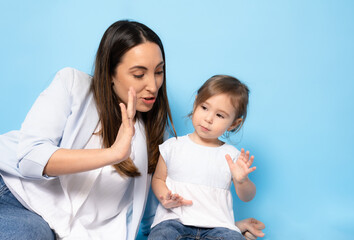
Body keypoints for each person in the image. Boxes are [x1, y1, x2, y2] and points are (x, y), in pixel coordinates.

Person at [0, 20, 264, 240]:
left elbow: (153, 213)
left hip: (69, 230)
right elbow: (30, 159)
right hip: (15, 194)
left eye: (159, 72)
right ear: (110, 73)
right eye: (139, 75)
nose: (153, 86)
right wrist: (113, 153)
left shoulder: (151, 135)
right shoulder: (72, 85)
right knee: (30, 231)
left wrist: (221, 228)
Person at [148, 75, 264, 240]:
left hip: (218, 227)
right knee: (159, 236)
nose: (208, 119)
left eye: (220, 115)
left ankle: (239, 232)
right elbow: (158, 178)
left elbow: (247, 197)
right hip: (173, 221)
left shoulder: (231, 156)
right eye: (204, 108)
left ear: (233, 124)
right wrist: (164, 197)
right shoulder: (172, 146)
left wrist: (242, 181)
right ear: (196, 103)